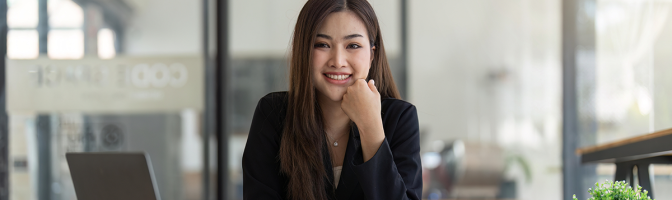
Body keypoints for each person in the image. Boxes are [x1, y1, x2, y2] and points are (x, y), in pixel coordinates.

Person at [242, 0, 422, 199]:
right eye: (322, 45)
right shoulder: (273, 115)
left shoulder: (399, 118)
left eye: (353, 45)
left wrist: (370, 127)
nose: (338, 61)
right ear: (304, 51)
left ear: (372, 55)